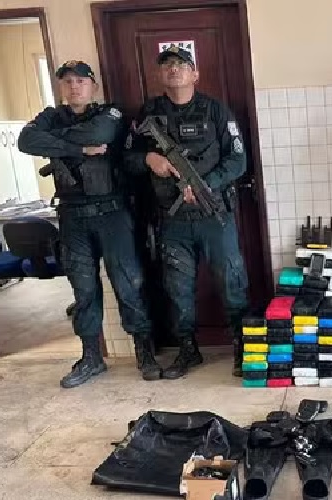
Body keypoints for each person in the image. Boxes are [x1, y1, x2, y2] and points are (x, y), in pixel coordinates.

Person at [17, 60, 161, 388]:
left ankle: (144, 352)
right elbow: (26, 141)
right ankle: (91, 357)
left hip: (112, 214)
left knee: (129, 283)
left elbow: (98, 134)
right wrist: (79, 148)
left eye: (80, 81)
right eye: (67, 82)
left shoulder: (109, 114)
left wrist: (56, 142)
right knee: (83, 289)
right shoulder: (50, 117)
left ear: (93, 86)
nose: (74, 87)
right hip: (72, 217)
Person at [124, 45, 249, 379]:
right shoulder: (148, 114)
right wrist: (149, 159)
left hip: (214, 215)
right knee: (177, 287)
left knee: (232, 281)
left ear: (195, 73)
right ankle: (187, 350)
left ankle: (242, 346)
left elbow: (238, 160)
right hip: (172, 219)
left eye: (181, 64)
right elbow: (127, 159)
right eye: (167, 65)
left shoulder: (216, 111)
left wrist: (206, 184)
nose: (174, 69)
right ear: (159, 74)